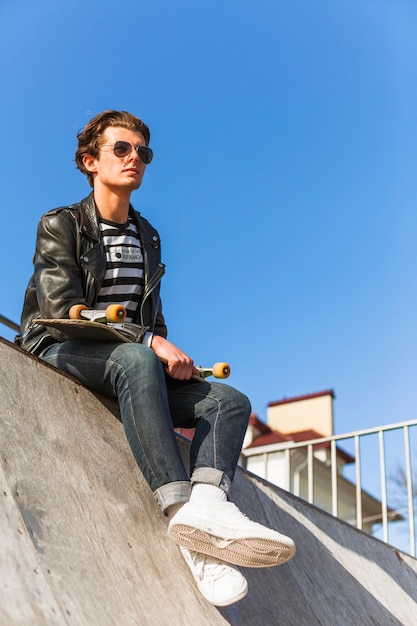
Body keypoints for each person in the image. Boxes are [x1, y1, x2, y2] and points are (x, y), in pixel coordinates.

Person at [16, 110, 295, 607]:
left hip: (130, 358)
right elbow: (59, 311)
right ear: (89, 161)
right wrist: (149, 345)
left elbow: (153, 322)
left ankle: (207, 507)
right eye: (121, 149)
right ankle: (183, 518)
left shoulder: (147, 236)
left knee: (229, 400)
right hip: (58, 349)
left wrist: (170, 356)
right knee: (138, 360)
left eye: (143, 152)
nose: (135, 159)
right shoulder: (62, 223)